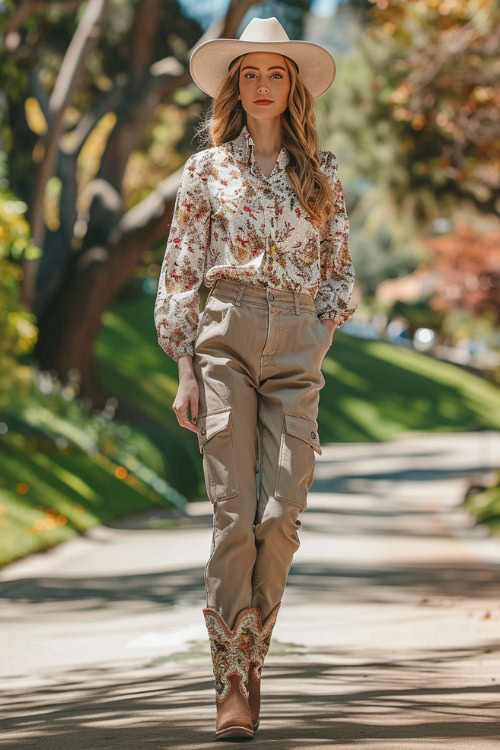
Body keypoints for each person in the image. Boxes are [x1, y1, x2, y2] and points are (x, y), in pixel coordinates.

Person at [154, 15, 357, 740]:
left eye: (275, 73)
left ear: (291, 86)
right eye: (250, 73)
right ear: (235, 89)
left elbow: (339, 271)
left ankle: (253, 648)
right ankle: (233, 682)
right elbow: (180, 272)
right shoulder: (206, 170)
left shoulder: (321, 171)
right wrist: (184, 366)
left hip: (300, 338)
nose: (263, 84)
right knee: (233, 515)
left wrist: (319, 335)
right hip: (225, 338)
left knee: (282, 513)